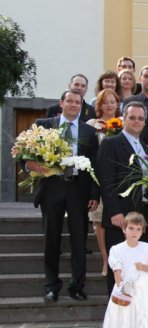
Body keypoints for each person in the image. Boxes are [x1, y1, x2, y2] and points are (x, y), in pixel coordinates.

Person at [30, 89, 100, 302]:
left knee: (79, 241)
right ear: (61, 103)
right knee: (51, 239)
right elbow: (26, 153)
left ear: (81, 106)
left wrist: (94, 194)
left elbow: (95, 164)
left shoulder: (89, 132)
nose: (73, 105)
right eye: (70, 101)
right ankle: (51, 286)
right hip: (52, 187)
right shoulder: (44, 125)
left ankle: (76, 286)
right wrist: (30, 165)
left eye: (78, 102)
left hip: (78, 190)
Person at [97, 101, 148, 294]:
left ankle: (136, 306)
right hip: (120, 215)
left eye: (140, 118)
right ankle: (117, 306)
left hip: (142, 214)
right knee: (119, 265)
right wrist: (114, 211)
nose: (137, 121)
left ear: (145, 122)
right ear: (123, 119)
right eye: (132, 117)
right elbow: (106, 180)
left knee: (138, 265)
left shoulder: (144, 147)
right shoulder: (111, 143)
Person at [100, 211, 148, 328]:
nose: (135, 232)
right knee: (125, 315)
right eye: (131, 228)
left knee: (143, 314)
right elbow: (117, 270)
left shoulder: (147, 248)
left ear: (142, 231)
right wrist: (121, 286)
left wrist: (143, 267)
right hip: (126, 286)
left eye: (138, 229)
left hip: (142, 287)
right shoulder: (117, 250)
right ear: (124, 229)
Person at [87, 89, 121, 276]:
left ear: (117, 104)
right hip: (98, 177)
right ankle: (105, 260)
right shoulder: (92, 125)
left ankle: (118, 260)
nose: (109, 105)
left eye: (112, 101)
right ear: (99, 105)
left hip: (118, 179)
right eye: (105, 102)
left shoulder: (124, 122)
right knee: (99, 221)